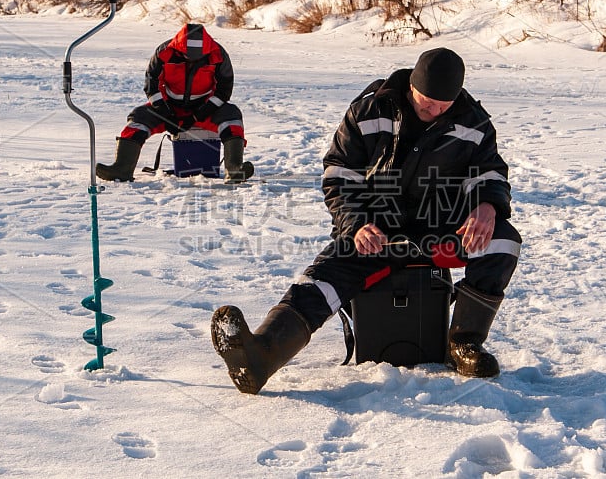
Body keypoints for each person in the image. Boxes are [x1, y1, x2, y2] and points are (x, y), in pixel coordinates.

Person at [211, 47, 521, 394]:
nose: (432, 110)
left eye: (442, 106)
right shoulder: (369, 109)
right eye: (425, 101)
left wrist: (487, 205)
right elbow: (339, 178)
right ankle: (262, 354)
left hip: (440, 230)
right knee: (324, 278)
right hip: (375, 230)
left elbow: (490, 172)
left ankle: (464, 344)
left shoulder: (473, 121)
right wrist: (356, 224)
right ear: (411, 85)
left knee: (503, 240)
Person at [96, 23, 253, 184]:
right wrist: (165, 113)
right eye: (186, 57)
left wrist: (197, 115)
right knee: (138, 118)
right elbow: (151, 85)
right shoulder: (164, 52)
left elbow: (224, 91)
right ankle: (121, 168)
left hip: (204, 108)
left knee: (232, 116)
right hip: (168, 108)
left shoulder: (218, 54)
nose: (191, 60)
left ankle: (234, 170)